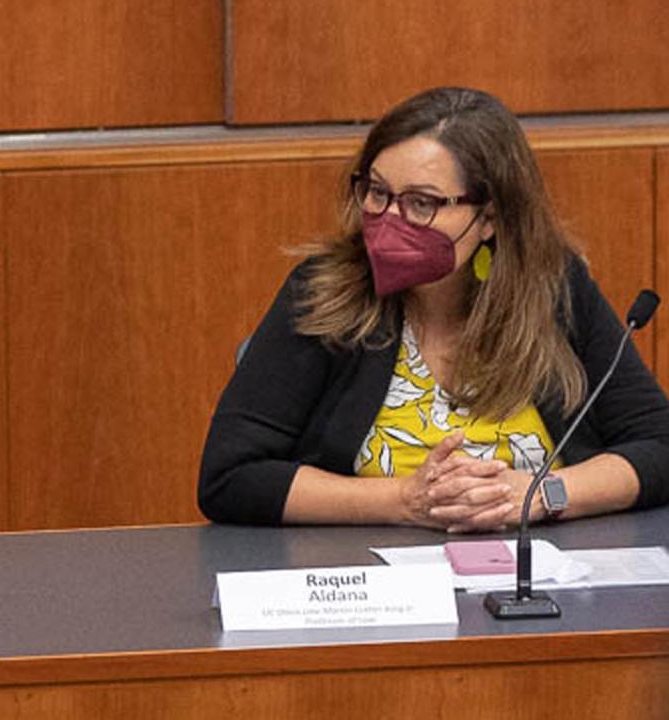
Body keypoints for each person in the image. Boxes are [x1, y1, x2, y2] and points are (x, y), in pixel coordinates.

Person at [199, 87, 669, 532]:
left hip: (542, 575)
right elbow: (231, 476)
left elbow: (658, 446)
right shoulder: (325, 292)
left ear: (489, 218)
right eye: (377, 193)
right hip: (369, 584)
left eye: (421, 203)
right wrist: (404, 501)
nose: (389, 221)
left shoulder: (554, 289)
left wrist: (539, 496)